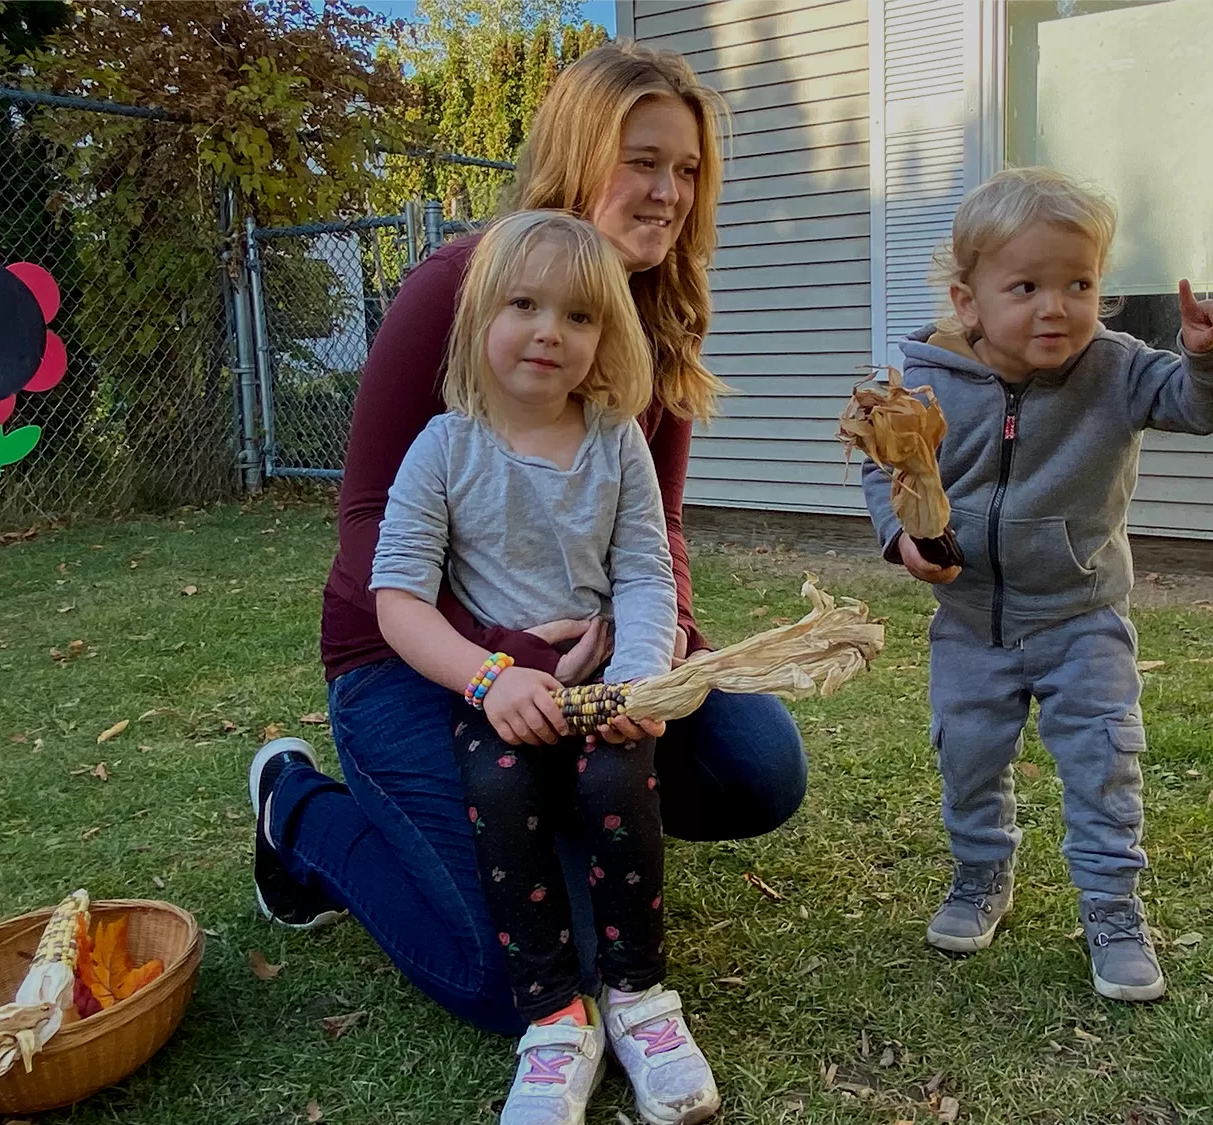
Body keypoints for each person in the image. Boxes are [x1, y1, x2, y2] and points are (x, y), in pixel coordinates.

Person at [245, 40, 807, 1039]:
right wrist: (510, 660)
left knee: (757, 763)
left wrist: (652, 668)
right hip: (412, 657)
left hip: (586, 653)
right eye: (643, 160)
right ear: (579, 151)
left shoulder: (661, 315)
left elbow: (657, 532)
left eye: (687, 170)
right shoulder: (461, 285)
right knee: (529, 982)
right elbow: (371, 524)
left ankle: (551, 808)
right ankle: (298, 810)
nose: (670, 192)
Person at [861, 167, 1213, 1001]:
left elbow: (1204, 405)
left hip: (1083, 618)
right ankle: (980, 874)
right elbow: (887, 468)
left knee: (1103, 763)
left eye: (1080, 283)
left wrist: (1212, 354)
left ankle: (1113, 910)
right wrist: (901, 538)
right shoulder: (925, 383)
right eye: (1029, 286)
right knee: (968, 758)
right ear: (969, 302)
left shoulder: (1117, 370)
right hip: (973, 621)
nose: (1057, 306)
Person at [370, 209, 716, 1124]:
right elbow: (397, 598)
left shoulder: (616, 441)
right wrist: (486, 679)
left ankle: (640, 999)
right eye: (524, 304)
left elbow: (645, 570)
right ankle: (555, 1013)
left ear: (605, 338)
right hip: (501, 695)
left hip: (605, 688)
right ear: (482, 315)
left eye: (577, 316)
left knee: (617, 784)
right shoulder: (444, 447)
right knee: (506, 793)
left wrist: (642, 679)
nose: (547, 332)